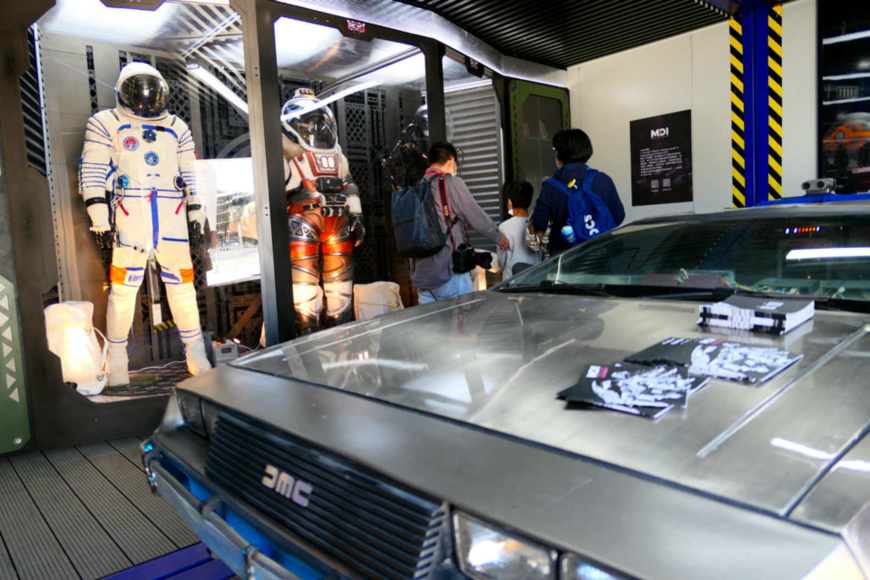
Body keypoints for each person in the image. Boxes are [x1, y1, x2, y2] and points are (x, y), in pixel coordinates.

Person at [80, 62, 211, 386]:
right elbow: (93, 170)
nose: (145, 99)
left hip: (172, 215)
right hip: (130, 215)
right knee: (122, 291)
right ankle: (118, 361)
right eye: (138, 91)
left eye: (151, 91)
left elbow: (191, 172)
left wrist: (196, 211)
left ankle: (196, 355)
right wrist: (99, 219)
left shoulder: (176, 126)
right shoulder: (105, 123)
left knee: (182, 288)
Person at [281, 88, 365, 334]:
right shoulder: (286, 150)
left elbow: (348, 183)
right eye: (308, 121)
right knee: (303, 285)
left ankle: (341, 334)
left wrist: (357, 215)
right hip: (303, 218)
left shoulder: (337, 152)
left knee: (340, 285)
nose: (314, 127)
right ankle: (307, 336)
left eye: (318, 121)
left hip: (335, 219)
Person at [411, 142, 509, 304]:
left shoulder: (416, 187)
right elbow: (475, 216)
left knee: (433, 329)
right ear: (450, 161)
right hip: (448, 274)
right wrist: (497, 236)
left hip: (422, 279)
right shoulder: (451, 183)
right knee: (462, 327)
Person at [530, 129, 625, 256]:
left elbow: (539, 224)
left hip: (565, 258)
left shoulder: (550, 187)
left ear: (560, 154)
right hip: (604, 255)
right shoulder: (603, 179)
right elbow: (619, 216)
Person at [498, 181, 541, 279]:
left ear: (509, 202)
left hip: (512, 280)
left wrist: (501, 269)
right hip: (536, 278)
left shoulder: (504, 227)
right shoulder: (537, 223)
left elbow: (502, 259)